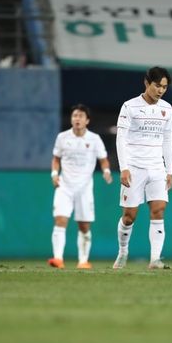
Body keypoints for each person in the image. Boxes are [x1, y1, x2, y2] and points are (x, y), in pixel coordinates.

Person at [113, 66, 172, 270]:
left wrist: (169, 170)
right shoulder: (129, 106)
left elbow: (167, 140)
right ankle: (123, 252)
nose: (161, 90)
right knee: (129, 216)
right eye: (157, 86)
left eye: (164, 87)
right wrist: (124, 167)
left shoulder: (167, 109)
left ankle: (155, 259)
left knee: (159, 209)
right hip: (134, 167)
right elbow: (121, 138)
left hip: (157, 167)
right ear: (147, 83)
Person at [48, 104, 112, 270]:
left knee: (84, 226)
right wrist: (54, 174)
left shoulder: (94, 139)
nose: (77, 118)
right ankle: (58, 258)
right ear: (71, 119)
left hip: (84, 188)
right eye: (75, 115)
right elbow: (56, 159)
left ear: (87, 120)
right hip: (64, 186)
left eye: (81, 116)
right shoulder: (62, 137)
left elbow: (103, 159)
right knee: (60, 220)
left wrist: (106, 171)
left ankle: (83, 261)